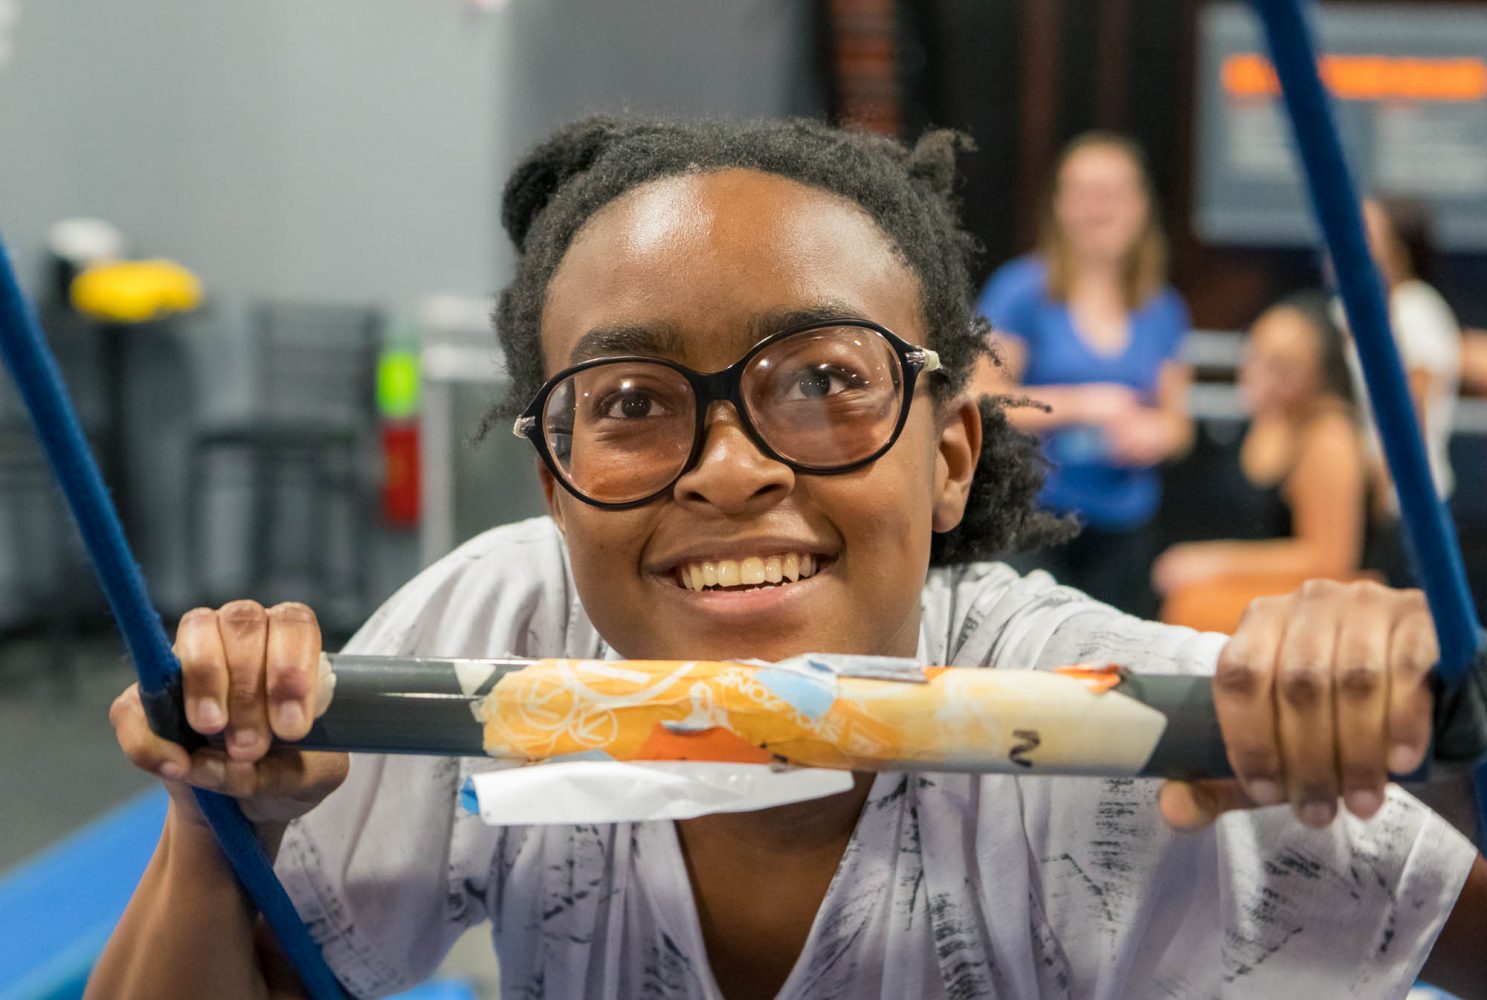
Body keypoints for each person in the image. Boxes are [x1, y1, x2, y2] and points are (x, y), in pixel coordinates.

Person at [93, 118, 1485, 1000]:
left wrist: (1438, 731)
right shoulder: (503, 615)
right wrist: (220, 825)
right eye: (631, 405)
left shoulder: (1127, 712)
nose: (731, 464)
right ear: (553, 481)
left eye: (822, 381)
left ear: (945, 456)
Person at [973, 132, 1192, 616]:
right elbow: (983, 399)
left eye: (1114, 192)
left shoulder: (1163, 308)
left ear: (1141, 205)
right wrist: (1082, 404)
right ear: (1059, 206)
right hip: (1034, 526)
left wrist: (1155, 432)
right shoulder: (1020, 291)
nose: (1100, 207)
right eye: (1085, 193)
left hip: (1123, 530)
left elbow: (1179, 423)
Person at [1153, 294, 1366, 634]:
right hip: (1263, 606)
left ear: (1320, 373)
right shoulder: (1269, 418)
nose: (1260, 374)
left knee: (1189, 609)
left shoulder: (1328, 437)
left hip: (1309, 621)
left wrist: (1216, 562)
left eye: (1283, 366)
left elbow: (1331, 559)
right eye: (1255, 355)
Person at [1344, 196, 1462, 585]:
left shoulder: (1414, 309)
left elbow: (1409, 412)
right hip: (1381, 495)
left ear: (1399, 247)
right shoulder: (1375, 307)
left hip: (1404, 504)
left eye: (1367, 233)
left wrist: (1385, 492)